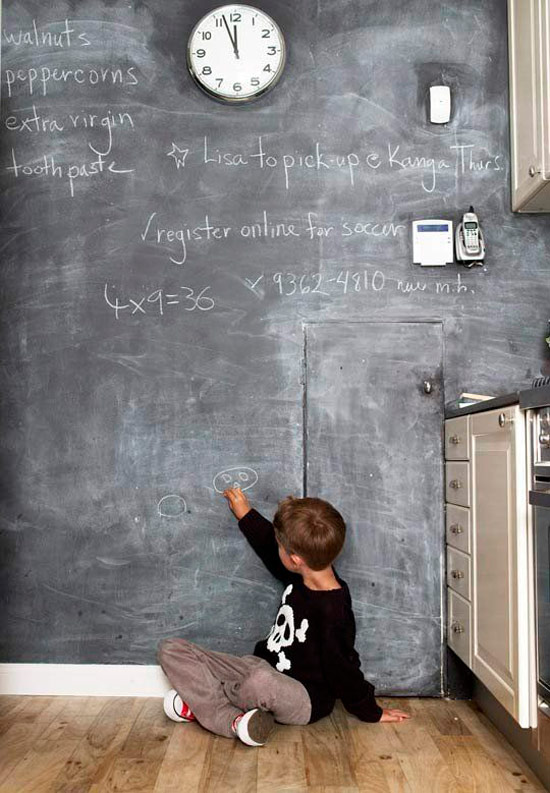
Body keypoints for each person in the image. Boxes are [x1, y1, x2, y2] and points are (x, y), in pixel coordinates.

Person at [157, 489, 410, 746]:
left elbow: (344, 669)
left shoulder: (334, 611)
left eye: (281, 547)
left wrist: (371, 711)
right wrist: (245, 513)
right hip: (258, 667)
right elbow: (271, 543)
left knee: (257, 683)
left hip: (303, 697)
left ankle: (220, 716)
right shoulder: (305, 569)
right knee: (171, 650)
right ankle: (223, 711)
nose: (275, 547)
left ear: (295, 559)